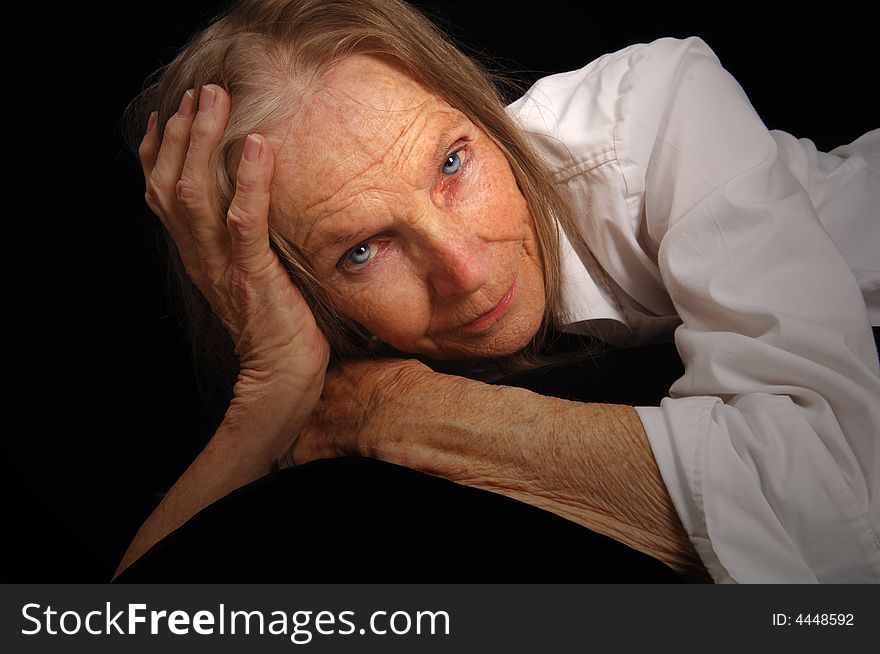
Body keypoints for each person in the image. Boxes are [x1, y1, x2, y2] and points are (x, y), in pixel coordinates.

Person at [115, 0, 880, 583]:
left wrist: (408, 412)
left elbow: (839, 515)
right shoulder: (328, 332)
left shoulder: (659, 110)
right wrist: (273, 385)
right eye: (361, 249)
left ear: (480, 112)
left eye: (452, 164)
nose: (467, 272)